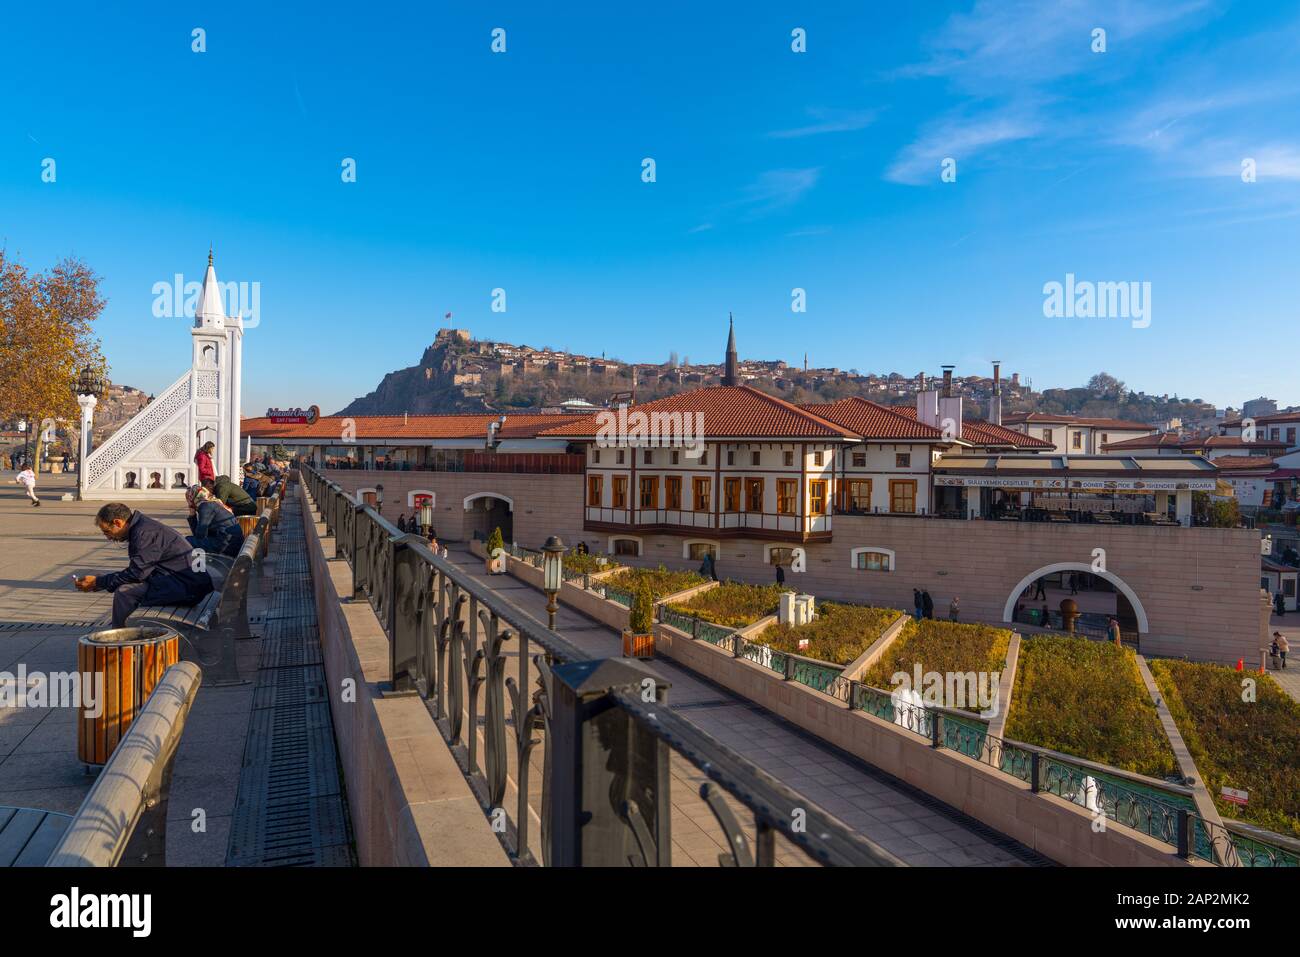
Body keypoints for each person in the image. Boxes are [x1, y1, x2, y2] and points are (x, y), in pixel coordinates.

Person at [73, 503, 214, 628]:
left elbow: (137, 574)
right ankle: (125, 635)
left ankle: (119, 641)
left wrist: (99, 582)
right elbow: (139, 571)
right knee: (128, 588)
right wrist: (101, 582)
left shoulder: (144, 533)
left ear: (118, 522)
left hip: (188, 588)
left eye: (107, 532)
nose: (108, 538)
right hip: (186, 582)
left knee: (125, 592)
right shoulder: (142, 527)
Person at [186, 485, 244, 557]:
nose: (189, 503)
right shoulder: (212, 503)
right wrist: (193, 514)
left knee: (186, 540)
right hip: (233, 544)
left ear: (193, 497)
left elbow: (199, 536)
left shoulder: (205, 506)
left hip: (227, 546)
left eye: (189, 500)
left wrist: (192, 513)